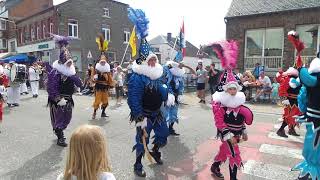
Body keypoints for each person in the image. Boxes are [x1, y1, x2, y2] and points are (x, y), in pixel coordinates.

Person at [127, 8, 169, 177]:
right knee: (141, 140)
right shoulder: (137, 77)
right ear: (144, 62)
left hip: (157, 113)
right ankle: (138, 164)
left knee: (163, 134)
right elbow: (133, 98)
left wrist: (169, 95)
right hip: (143, 114)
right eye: (150, 60)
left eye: (154, 60)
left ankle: (156, 150)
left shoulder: (158, 74)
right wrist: (138, 117)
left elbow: (164, 88)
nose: (153, 62)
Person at [210, 40, 253, 180]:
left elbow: (240, 118)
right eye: (230, 88)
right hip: (226, 133)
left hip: (237, 132)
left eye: (235, 88)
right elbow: (219, 122)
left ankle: (215, 166)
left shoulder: (238, 102)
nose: (233, 91)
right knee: (234, 154)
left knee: (224, 152)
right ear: (226, 89)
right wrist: (228, 135)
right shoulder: (220, 104)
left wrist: (244, 130)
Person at [288, 31, 320, 180]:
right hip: (313, 117)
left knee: (313, 145)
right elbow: (304, 81)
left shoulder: (315, 76)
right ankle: (311, 168)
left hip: (315, 119)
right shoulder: (315, 75)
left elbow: (306, 79)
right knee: (312, 144)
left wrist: (300, 69)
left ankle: (311, 170)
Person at [45, 34, 82, 147]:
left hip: (68, 99)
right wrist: (58, 99)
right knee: (59, 119)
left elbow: (80, 84)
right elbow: (51, 88)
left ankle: (59, 131)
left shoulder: (71, 73)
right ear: (62, 62)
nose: (70, 63)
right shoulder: (55, 72)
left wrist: (74, 77)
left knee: (67, 118)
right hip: (58, 99)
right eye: (68, 61)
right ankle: (60, 136)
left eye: (70, 61)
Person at [91, 35, 114, 119]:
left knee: (106, 101)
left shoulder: (107, 70)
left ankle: (103, 113)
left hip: (105, 87)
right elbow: (92, 77)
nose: (103, 63)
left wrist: (111, 85)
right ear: (100, 62)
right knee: (97, 101)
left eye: (104, 62)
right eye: (102, 62)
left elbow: (110, 78)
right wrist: (94, 79)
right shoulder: (96, 69)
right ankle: (94, 112)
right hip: (98, 87)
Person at [163, 60, 185, 136]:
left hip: (175, 97)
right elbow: (165, 66)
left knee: (174, 114)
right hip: (167, 96)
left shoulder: (179, 76)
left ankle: (170, 129)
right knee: (165, 114)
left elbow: (181, 86)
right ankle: (163, 129)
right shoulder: (167, 73)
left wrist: (180, 94)